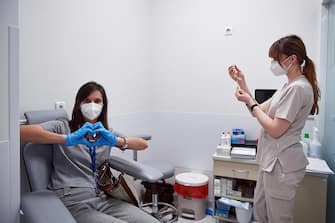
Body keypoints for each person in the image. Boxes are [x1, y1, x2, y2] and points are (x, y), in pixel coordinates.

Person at [20, 81, 160, 223]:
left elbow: (142, 145)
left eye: (97, 101)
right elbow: (21, 132)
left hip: (103, 197)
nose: (92, 105)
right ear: (79, 104)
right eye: (87, 101)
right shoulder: (63, 126)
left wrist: (115, 141)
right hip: (72, 200)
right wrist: (67, 139)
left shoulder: (105, 133)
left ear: (103, 105)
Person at [228, 35, 320, 223]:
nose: (272, 64)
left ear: (292, 59)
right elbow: (258, 110)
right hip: (269, 164)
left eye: (275, 59)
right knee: (261, 214)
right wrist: (242, 82)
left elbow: (276, 129)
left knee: (279, 219)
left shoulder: (298, 89)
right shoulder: (287, 87)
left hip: (281, 167)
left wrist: (250, 104)